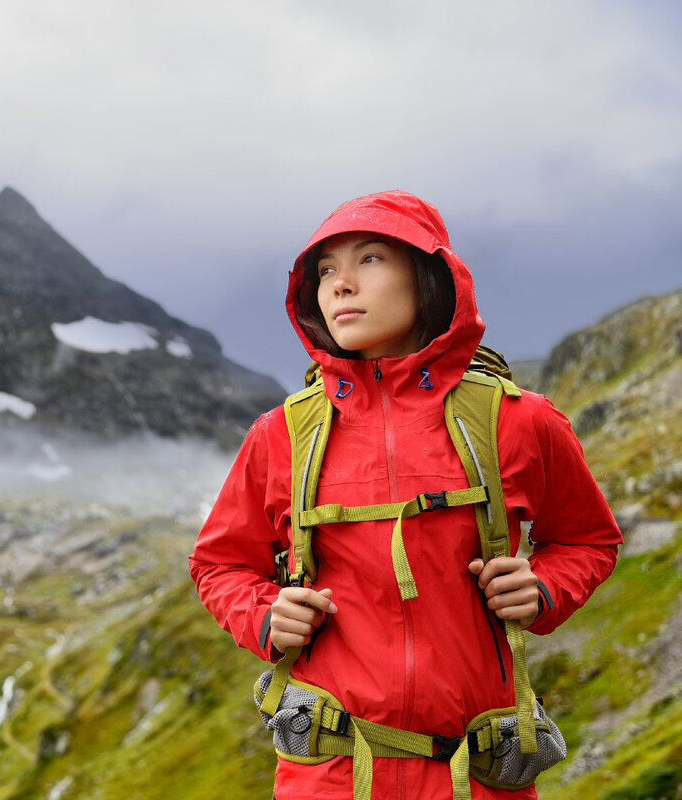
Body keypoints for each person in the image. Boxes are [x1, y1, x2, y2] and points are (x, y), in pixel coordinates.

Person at [189, 190, 621, 799]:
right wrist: (263, 614)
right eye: (325, 271)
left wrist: (544, 587)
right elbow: (220, 563)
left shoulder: (519, 422)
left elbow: (589, 539)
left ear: (429, 279)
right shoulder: (281, 434)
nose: (341, 284)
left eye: (369, 260)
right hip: (331, 777)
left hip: (477, 778)